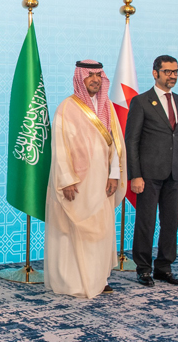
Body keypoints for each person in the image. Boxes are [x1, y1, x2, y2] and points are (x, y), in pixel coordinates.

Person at [44, 61, 127, 298]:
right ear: (79, 77)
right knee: (72, 229)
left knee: (100, 230)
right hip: (77, 183)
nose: (95, 79)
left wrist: (114, 175)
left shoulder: (108, 107)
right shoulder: (66, 108)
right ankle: (74, 282)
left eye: (98, 75)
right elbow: (60, 148)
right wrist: (67, 180)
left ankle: (98, 279)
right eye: (89, 75)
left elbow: (116, 145)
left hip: (102, 183)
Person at [125, 55, 178, 287]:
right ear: (155, 73)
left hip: (175, 173)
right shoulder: (141, 101)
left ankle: (164, 267)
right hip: (147, 175)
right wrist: (135, 174)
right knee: (146, 222)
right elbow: (132, 141)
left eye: (176, 71)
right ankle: (143, 268)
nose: (173, 76)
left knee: (170, 223)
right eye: (167, 71)